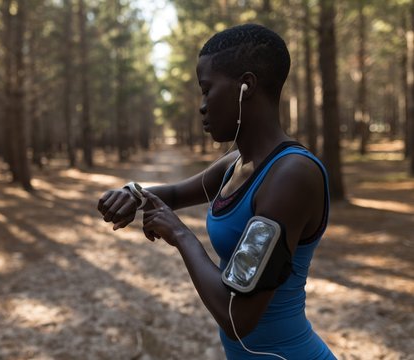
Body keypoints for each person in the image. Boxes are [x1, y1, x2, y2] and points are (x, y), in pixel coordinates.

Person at [98, 23, 336, 359]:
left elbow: (236, 318)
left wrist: (180, 235)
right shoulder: (236, 163)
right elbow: (176, 195)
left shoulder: (290, 175)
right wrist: (131, 192)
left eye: (207, 90)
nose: (202, 106)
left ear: (246, 86)